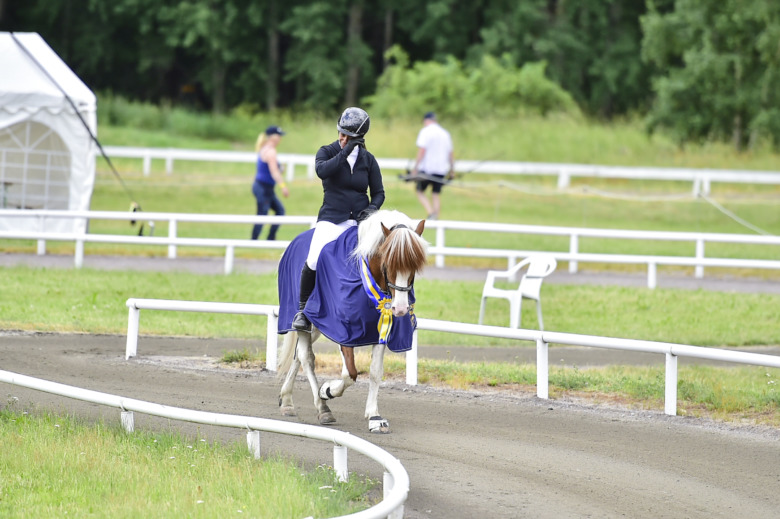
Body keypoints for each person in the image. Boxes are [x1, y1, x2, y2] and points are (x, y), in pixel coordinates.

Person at [292, 107, 385, 331]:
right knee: (314, 259)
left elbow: (379, 193)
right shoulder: (327, 151)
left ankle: (382, 304)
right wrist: (345, 151)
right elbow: (322, 171)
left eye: (348, 137)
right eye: (341, 134)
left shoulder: (368, 160)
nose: (343, 139)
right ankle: (303, 311)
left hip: (361, 222)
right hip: (332, 218)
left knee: (380, 258)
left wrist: (372, 208)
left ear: (359, 137)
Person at [411, 111, 454, 220]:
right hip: (441, 169)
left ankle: (431, 213)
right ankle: (436, 217)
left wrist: (415, 168)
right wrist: (452, 169)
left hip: (427, 169)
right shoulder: (445, 133)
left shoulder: (425, 132)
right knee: (436, 193)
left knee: (419, 190)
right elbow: (450, 153)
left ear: (426, 120)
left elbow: (422, 150)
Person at [251, 125, 289, 240]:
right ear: (273, 137)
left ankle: (270, 238)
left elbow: (271, 170)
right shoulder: (271, 151)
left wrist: (280, 169)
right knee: (263, 214)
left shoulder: (264, 148)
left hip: (263, 187)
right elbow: (274, 172)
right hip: (264, 188)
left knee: (279, 211)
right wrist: (283, 186)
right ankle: (253, 240)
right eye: (279, 136)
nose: (280, 139)